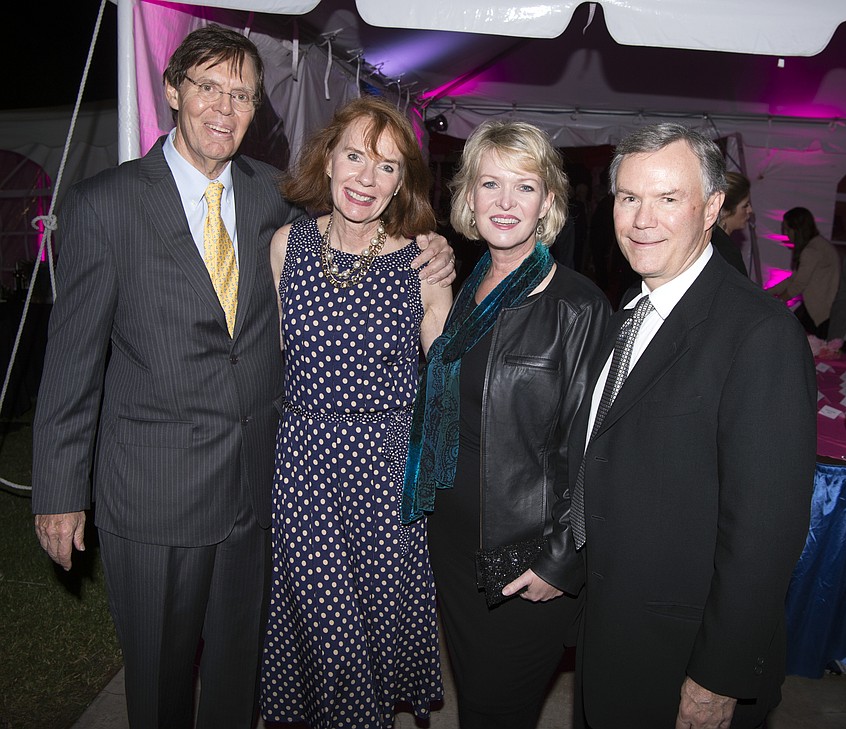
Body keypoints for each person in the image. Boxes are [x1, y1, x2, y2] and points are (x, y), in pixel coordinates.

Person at [30, 26, 453, 729]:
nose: (225, 109)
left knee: (241, 681)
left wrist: (432, 244)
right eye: (208, 88)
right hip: (153, 496)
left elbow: (361, 236)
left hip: (261, 495)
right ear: (172, 91)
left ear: (258, 108)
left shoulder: (275, 201)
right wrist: (58, 491)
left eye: (243, 94)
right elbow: (71, 360)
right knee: (162, 687)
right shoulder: (105, 205)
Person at [560, 123, 815, 728]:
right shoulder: (630, 306)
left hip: (682, 657)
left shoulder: (759, 334)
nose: (643, 219)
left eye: (668, 199)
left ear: (712, 209)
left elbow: (765, 531)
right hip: (611, 633)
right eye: (629, 198)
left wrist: (717, 678)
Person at [402, 120, 610, 729]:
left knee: (498, 710)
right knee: (477, 704)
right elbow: (448, 370)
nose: (505, 202)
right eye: (490, 184)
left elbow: (597, 451)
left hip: (521, 557)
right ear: (468, 196)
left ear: (548, 201)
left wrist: (561, 560)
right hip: (452, 541)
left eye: (525, 187)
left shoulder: (577, 305)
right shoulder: (471, 288)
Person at [260, 96, 453, 729]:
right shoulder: (286, 247)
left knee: (370, 623)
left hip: (384, 471)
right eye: (355, 157)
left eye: (389, 167)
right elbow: (278, 357)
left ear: (404, 182)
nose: (367, 180)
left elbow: (450, 374)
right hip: (306, 463)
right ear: (328, 159)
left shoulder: (421, 263)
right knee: (329, 625)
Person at [767, 206, 840, 338]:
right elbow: (794, 279)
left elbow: (799, 284)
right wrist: (768, 293)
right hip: (819, 309)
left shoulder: (812, 250)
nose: (786, 234)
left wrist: (779, 301)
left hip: (821, 311)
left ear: (798, 230)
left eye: (788, 229)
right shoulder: (817, 245)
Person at [712, 170, 750, 276]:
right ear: (725, 211)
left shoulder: (713, 243)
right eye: (745, 205)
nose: (750, 210)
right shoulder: (725, 250)